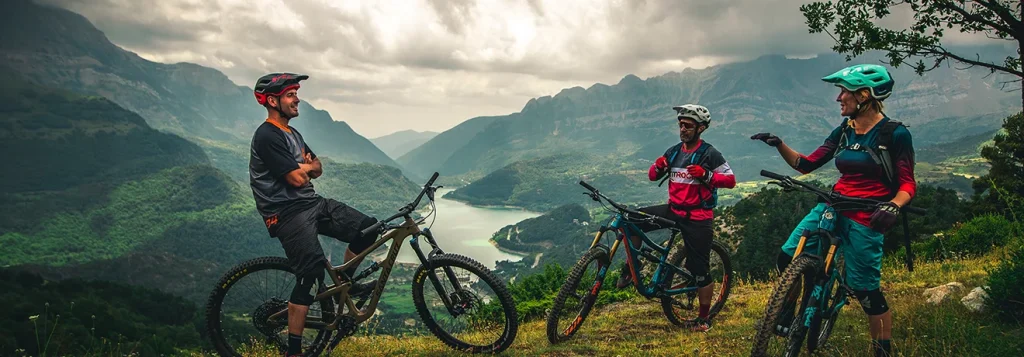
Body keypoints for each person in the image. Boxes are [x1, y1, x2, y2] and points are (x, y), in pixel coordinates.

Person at [750, 64, 915, 357]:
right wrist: (779, 145)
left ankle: (882, 350)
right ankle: (784, 317)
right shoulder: (844, 130)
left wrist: (894, 205)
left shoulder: (895, 134)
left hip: (867, 214)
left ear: (864, 95)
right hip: (833, 204)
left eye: (844, 92)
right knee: (788, 255)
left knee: (865, 291)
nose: (839, 98)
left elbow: (907, 185)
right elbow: (806, 164)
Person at [248, 73, 379, 357]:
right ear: (273, 101)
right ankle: (294, 351)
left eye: (296, 93)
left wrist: (304, 168)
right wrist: (303, 168)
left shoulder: (293, 134)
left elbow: (317, 167)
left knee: (369, 229)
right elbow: (296, 179)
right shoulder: (267, 135)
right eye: (291, 94)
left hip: (312, 203)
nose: (297, 99)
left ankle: (347, 284)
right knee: (309, 274)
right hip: (285, 213)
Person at [620, 104, 736, 332]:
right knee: (632, 221)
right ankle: (631, 267)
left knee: (700, 271)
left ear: (700, 128)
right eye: (681, 125)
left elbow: (730, 180)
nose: (683, 129)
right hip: (674, 210)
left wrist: (707, 175)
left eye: (688, 126)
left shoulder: (710, 154)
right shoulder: (674, 151)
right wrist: (658, 166)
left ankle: (704, 319)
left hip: (698, 217)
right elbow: (653, 176)